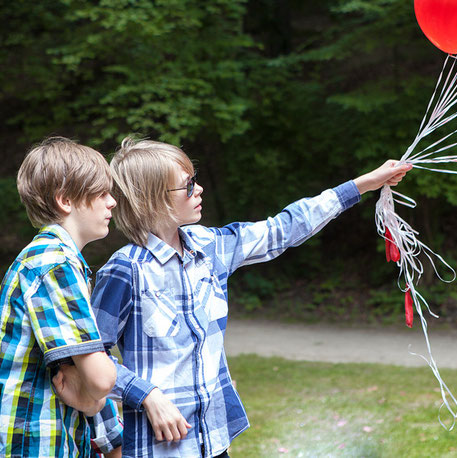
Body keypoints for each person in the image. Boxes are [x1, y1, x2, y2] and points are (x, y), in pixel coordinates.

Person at [90, 136, 411, 457]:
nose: (198, 190)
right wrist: (145, 398)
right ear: (154, 200)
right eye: (187, 186)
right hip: (156, 448)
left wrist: (364, 184)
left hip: (213, 442)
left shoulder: (211, 247)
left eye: (196, 181)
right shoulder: (125, 270)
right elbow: (90, 359)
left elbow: (285, 227)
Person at [0, 137, 124, 457]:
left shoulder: (48, 259)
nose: (112, 202)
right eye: (101, 193)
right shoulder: (54, 265)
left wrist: (93, 397)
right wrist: (97, 396)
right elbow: (100, 379)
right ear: (65, 200)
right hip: (39, 446)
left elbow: (84, 377)